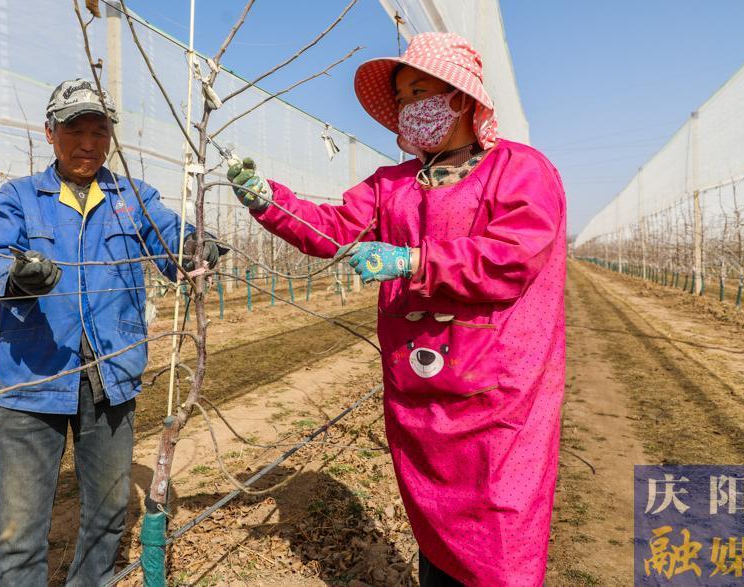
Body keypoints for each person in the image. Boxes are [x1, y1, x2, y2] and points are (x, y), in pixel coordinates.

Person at [228, 33, 566, 586]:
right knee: (433, 522)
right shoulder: (393, 186)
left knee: (499, 532)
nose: (411, 108)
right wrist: (269, 199)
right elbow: (330, 229)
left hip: (498, 398)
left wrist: (413, 260)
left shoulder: (519, 170)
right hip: (420, 391)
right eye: (404, 98)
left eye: (421, 91)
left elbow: (512, 257)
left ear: (461, 98)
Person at [0, 79, 221, 585]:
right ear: (50, 133)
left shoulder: (132, 196)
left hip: (113, 373)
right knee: (21, 528)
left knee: (108, 515)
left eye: (99, 130)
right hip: (33, 377)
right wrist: (18, 277)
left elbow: (171, 242)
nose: (88, 142)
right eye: (74, 130)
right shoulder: (21, 197)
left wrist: (197, 244)